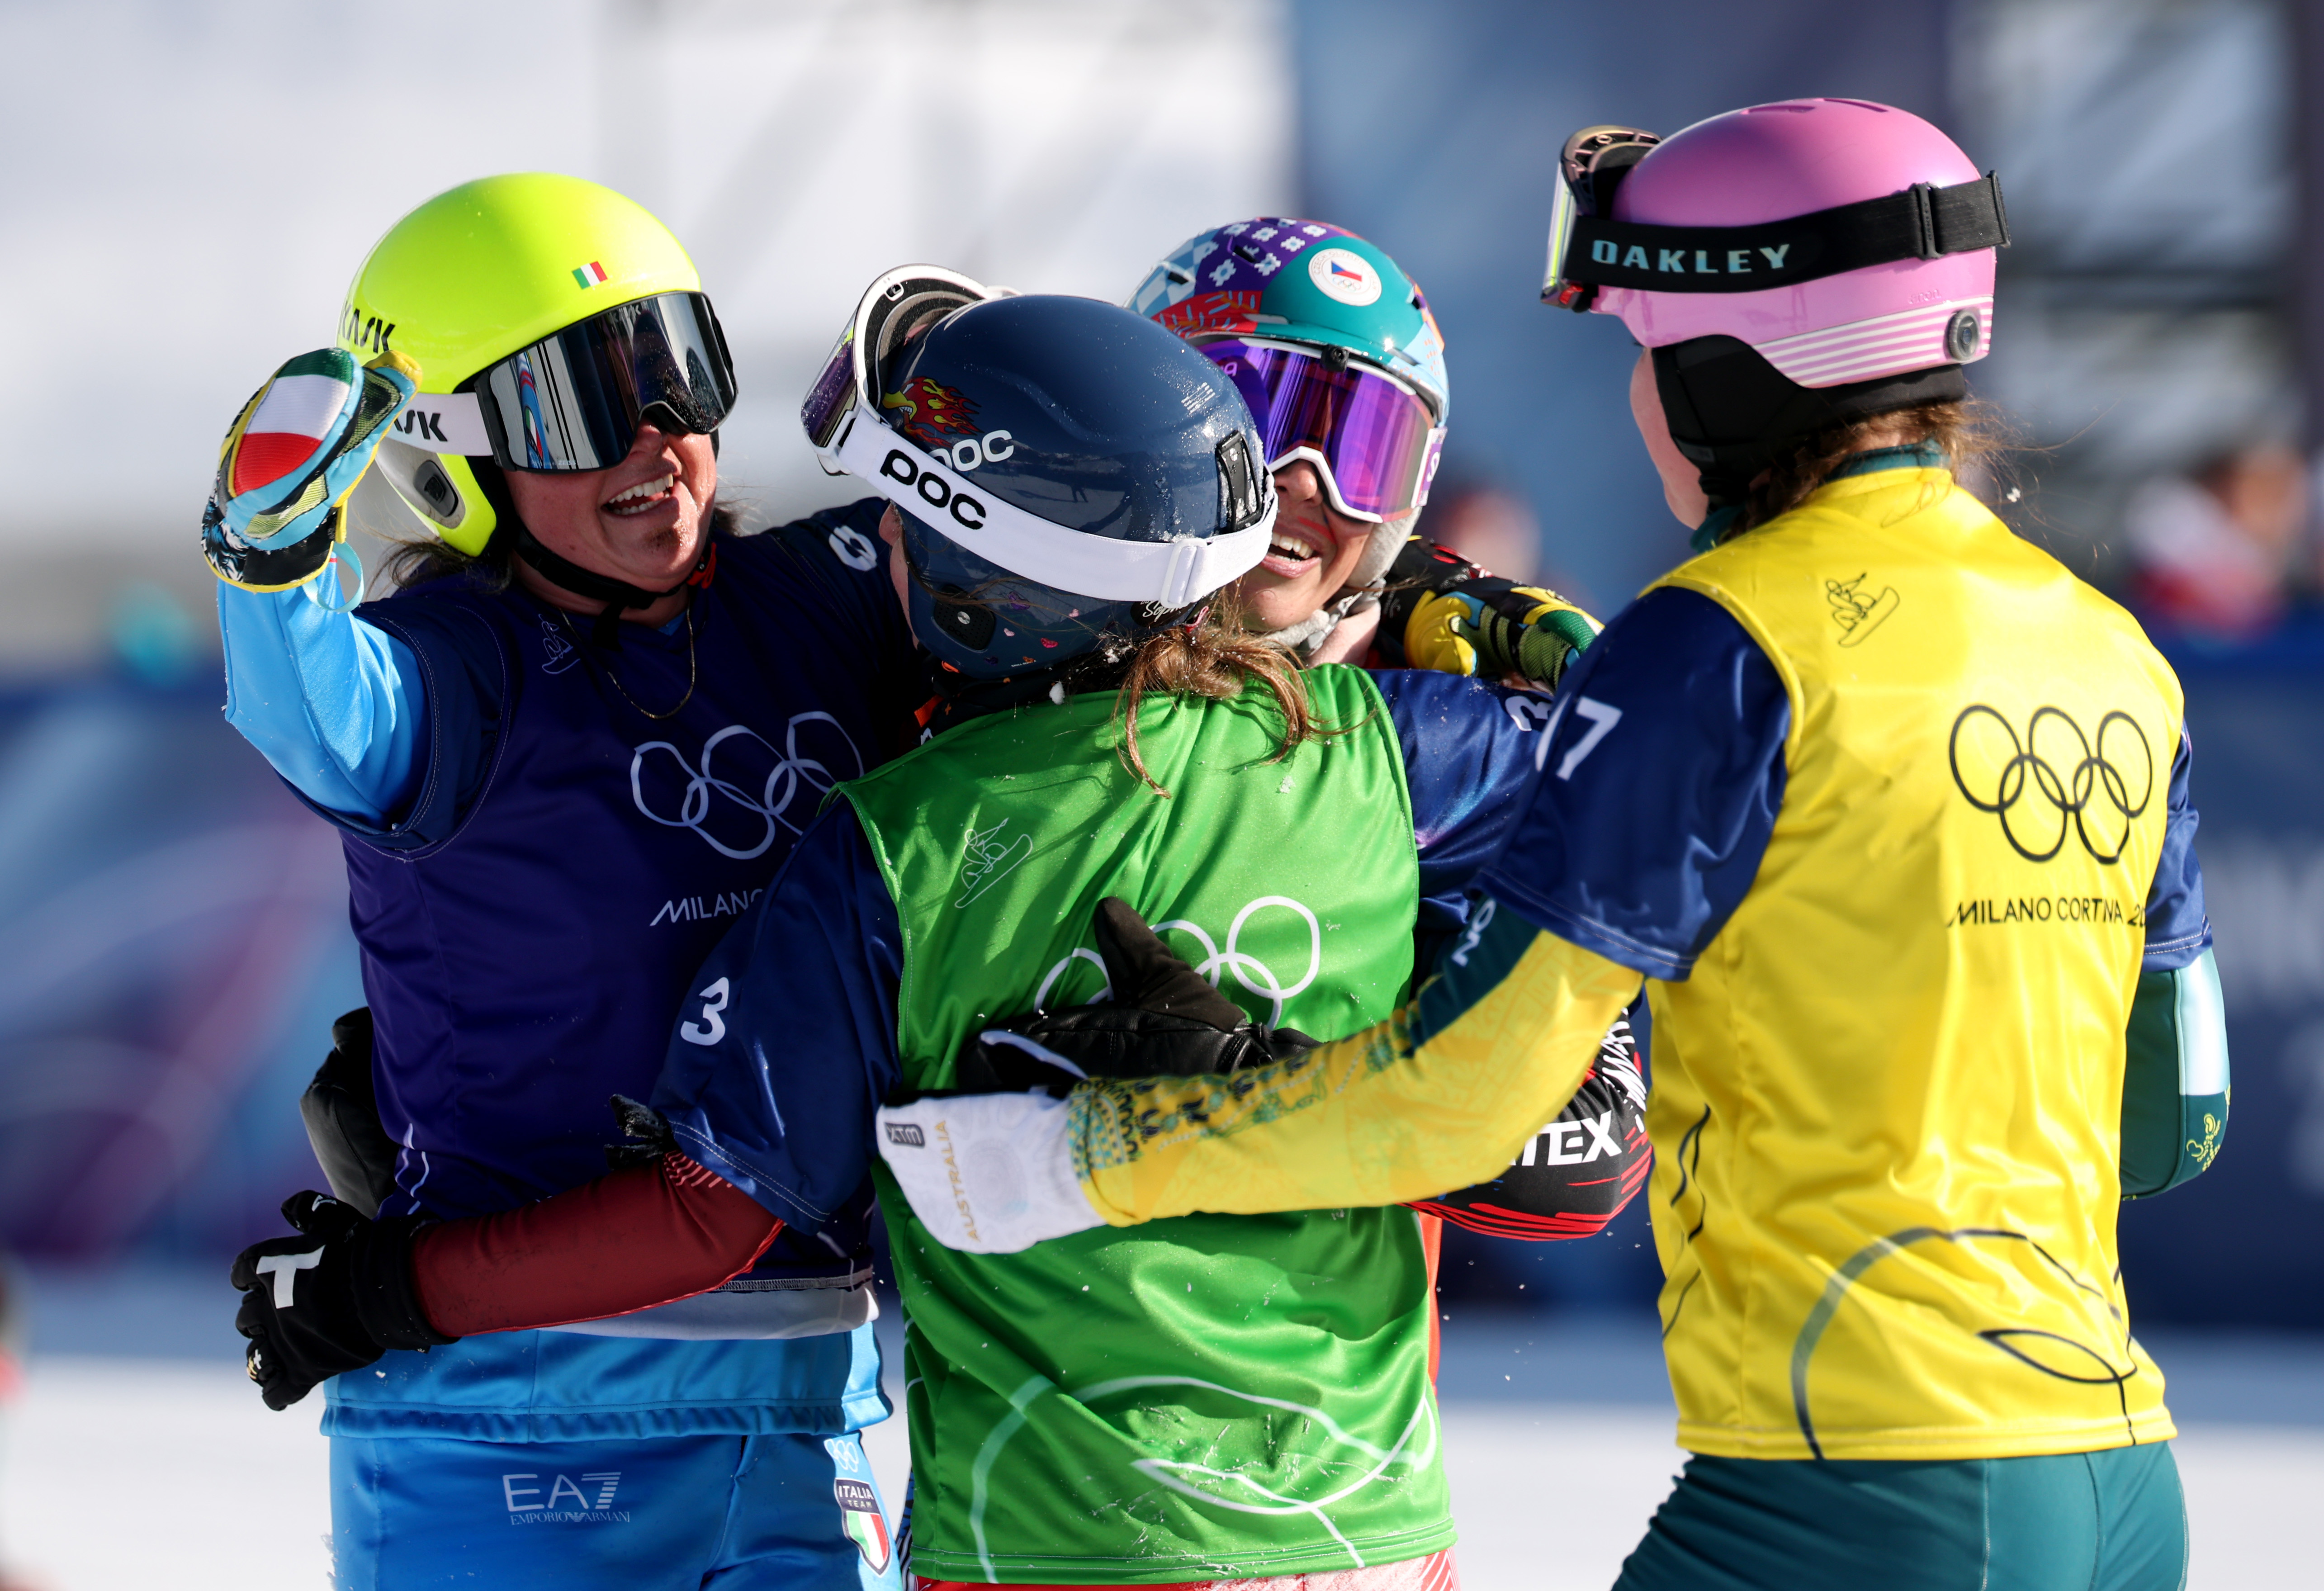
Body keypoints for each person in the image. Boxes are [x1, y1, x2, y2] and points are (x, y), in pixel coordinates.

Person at [885, 101, 2227, 1591]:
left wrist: (1091, 1148)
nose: (1639, 397)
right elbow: (2172, 1120)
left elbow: (1474, 1098)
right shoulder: (2114, 651)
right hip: (2113, 1464)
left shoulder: (1714, 645)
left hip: (1867, 1488)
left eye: (1649, 349)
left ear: (1734, 364)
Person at [224, 276, 1616, 1588]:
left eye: (903, 524)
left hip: (1041, 1536)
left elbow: (711, 1215)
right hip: (1369, 1527)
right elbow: (1675, 767)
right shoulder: (1387, 750)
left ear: (978, 588)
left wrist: (392, 1282)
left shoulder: (891, 847)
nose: (868, 544)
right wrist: (1498, 616)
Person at [211, 174, 918, 1590]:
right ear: (445, 457)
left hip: (802, 1391)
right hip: (508, 1409)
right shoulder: (455, 668)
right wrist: (274, 563)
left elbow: (1078, 586)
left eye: (677, 373)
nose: (655, 439)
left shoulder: (828, 595)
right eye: (575, 407)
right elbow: (324, 714)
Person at [1132, 218, 1648, 1245]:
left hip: (1328, 1379)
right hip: (1031, 1374)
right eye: (1258, 410)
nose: (1304, 481)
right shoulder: (1007, 650)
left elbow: (1586, 1154)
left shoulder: (1446, 736)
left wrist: (1236, 1085)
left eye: (1365, 447)